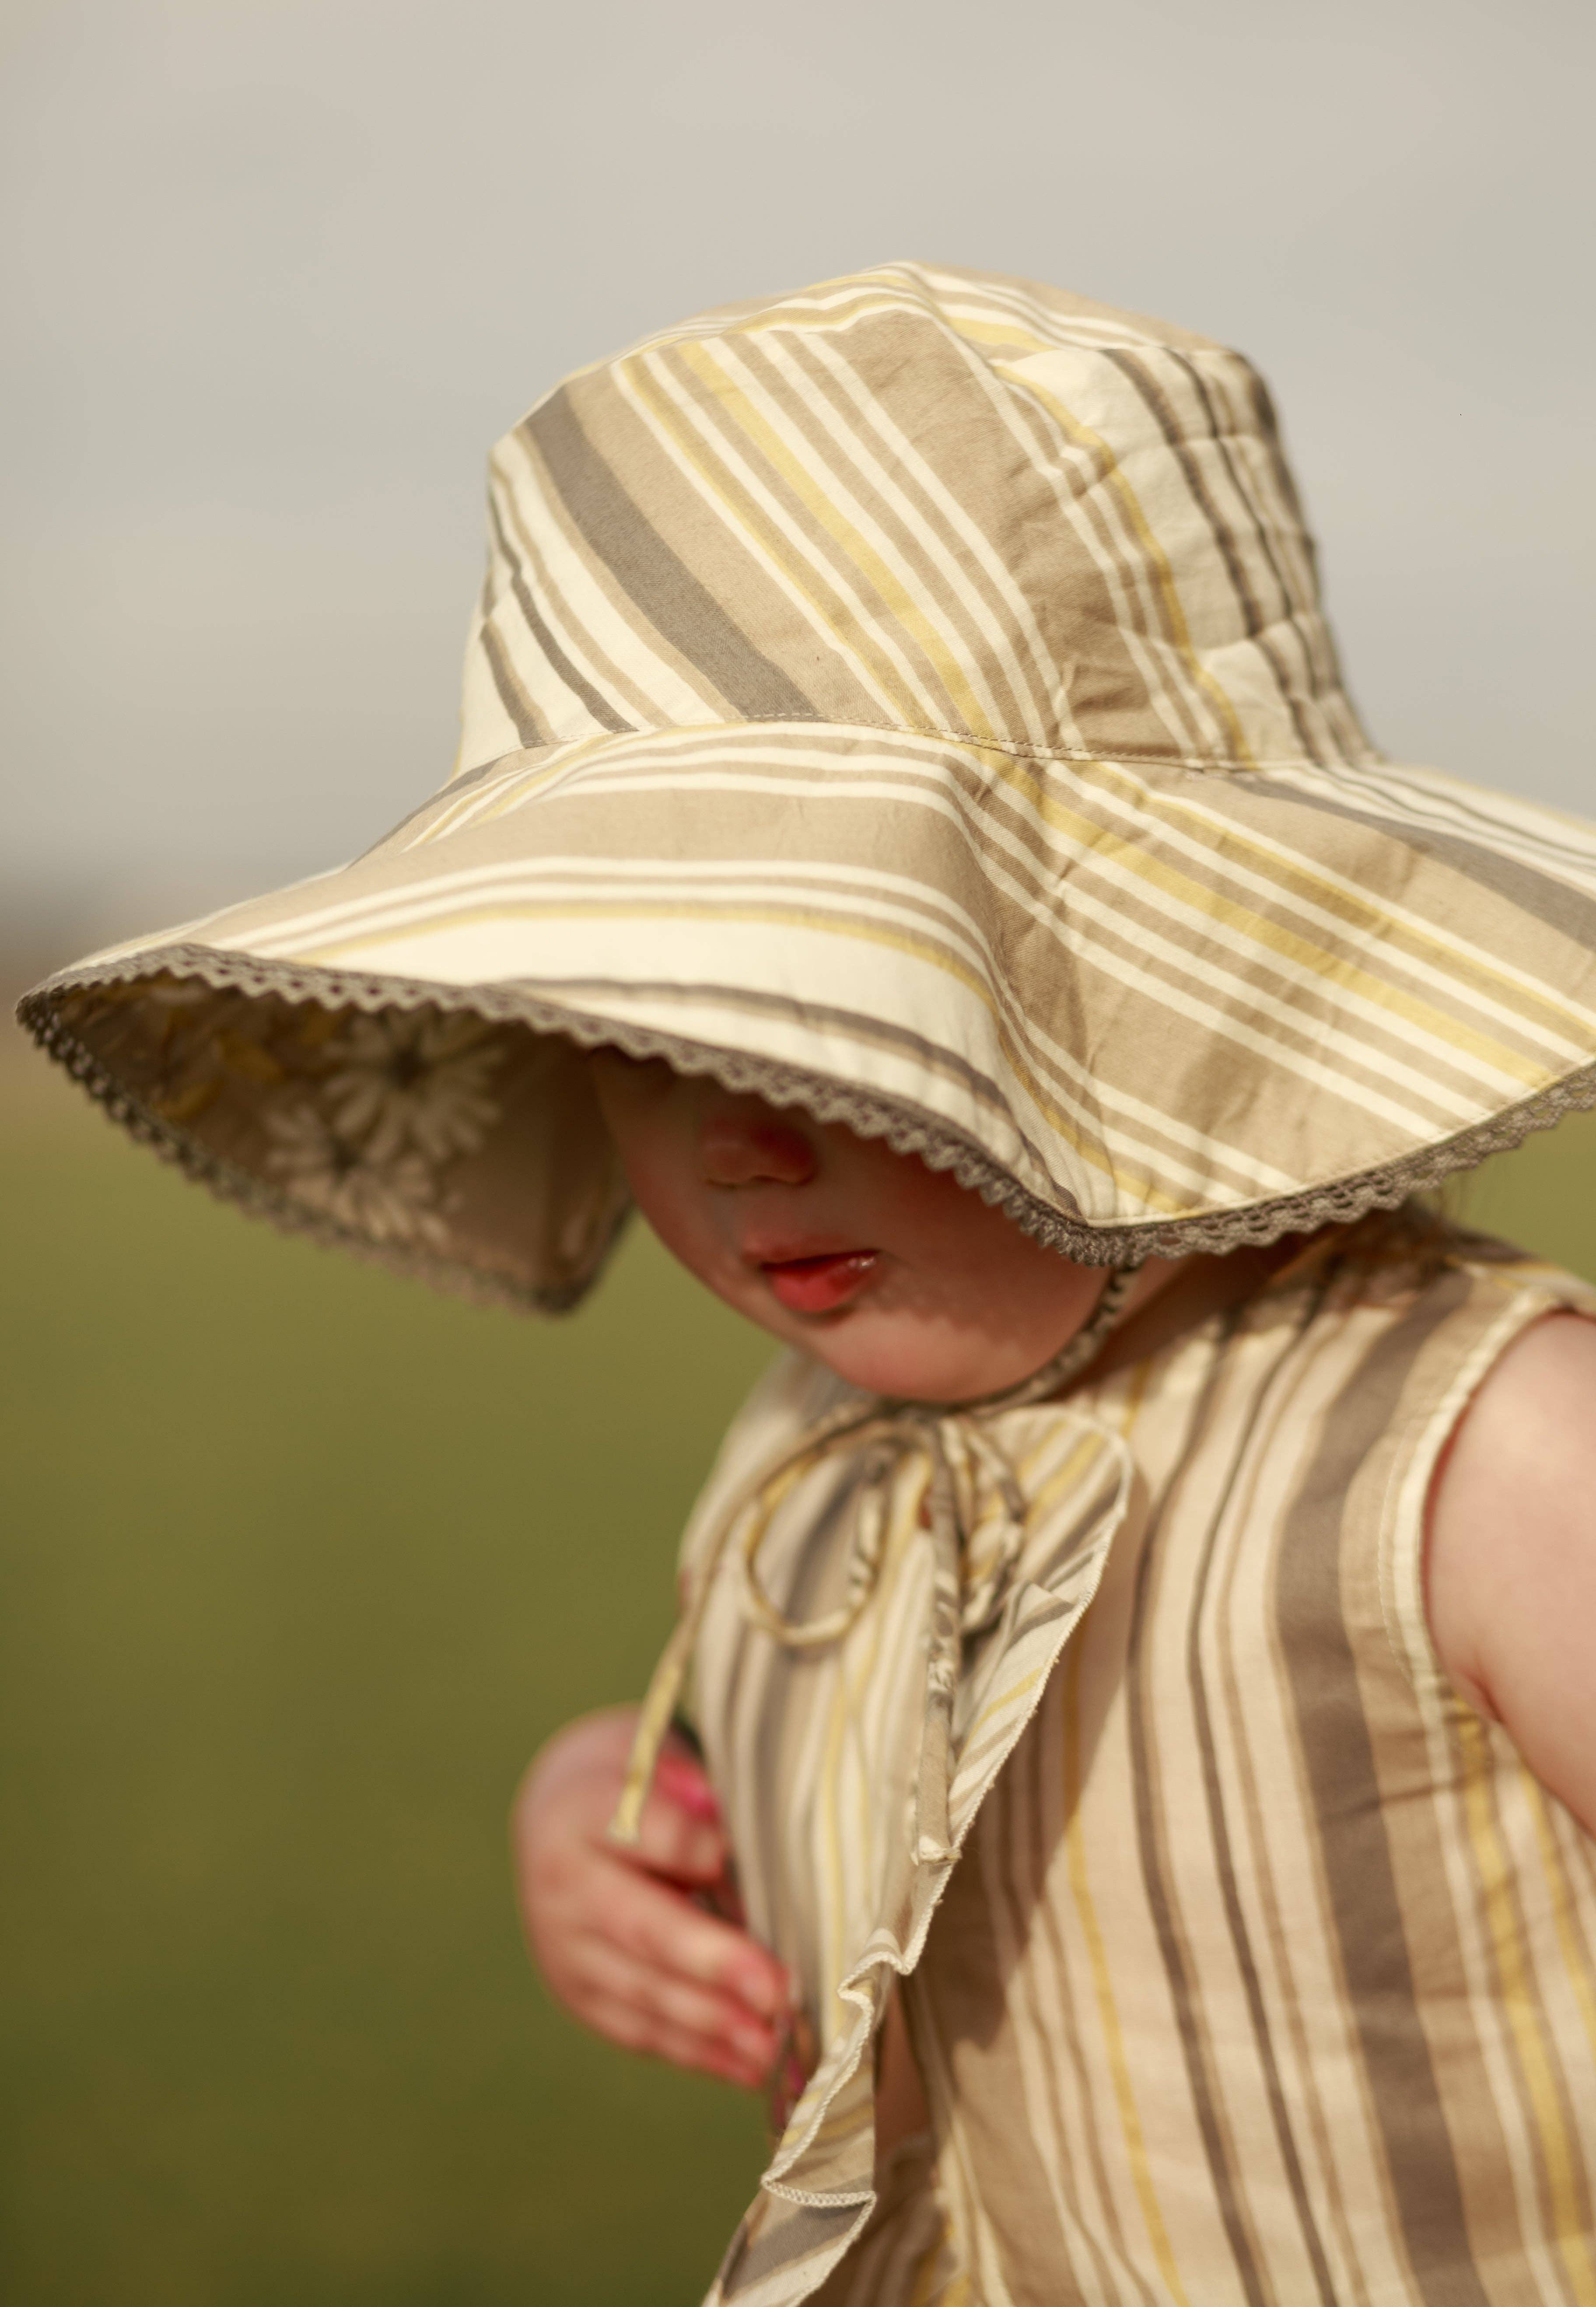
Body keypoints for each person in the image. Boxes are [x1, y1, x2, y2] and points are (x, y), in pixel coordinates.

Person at [20, 263, 1596, 2304]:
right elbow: (882, 1763)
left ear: (1139, 994)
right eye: (649, 1048)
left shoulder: (1479, 1454)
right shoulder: (811, 1461)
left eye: (845, 1035)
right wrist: (610, 1799)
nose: (743, 1145)